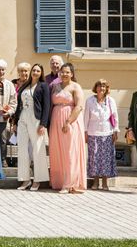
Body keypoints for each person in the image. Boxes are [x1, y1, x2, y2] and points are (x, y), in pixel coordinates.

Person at [12, 63, 50, 191]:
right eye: (34, 70)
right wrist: (15, 122)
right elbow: (19, 105)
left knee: (37, 148)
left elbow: (47, 106)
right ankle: (25, 179)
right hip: (23, 117)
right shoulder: (25, 86)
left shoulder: (43, 86)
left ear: (41, 73)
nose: (35, 72)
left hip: (36, 119)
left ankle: (38, 180)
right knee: (22, 149)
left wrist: (43, 124)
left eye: (38, 71)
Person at [49, 63, 86, 194]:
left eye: (67, 72)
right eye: (62, 72)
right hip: (55, 119)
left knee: (70, 151)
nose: (64, 74)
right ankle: (59, 181)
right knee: (57, 151)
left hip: (70, 121)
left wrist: (68, 121)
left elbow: (79, 106)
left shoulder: (76, 87)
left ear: (72, 74)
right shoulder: (55, 87)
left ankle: (69, 183)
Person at [84, 79, 119, 191]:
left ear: (107, 89)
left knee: (106, 159)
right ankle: (95, 182)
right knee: (94, 158)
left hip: (107, 133)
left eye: (104, 86)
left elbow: (115, 116)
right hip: (93, 132)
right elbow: (86, 117)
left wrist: (115, 130)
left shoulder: (110, 101)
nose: (101, 88)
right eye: (99, 86)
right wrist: (85, 132)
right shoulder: (89, 100)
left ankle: (104, 182)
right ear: (96, 88)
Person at [0, 59, 17, 165]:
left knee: (2, 139)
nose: (1, 72)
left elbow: (13, 101)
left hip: (3, 116)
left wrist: (9, 112)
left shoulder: (10, 85)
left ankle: (2, 159)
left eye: (3, 70)